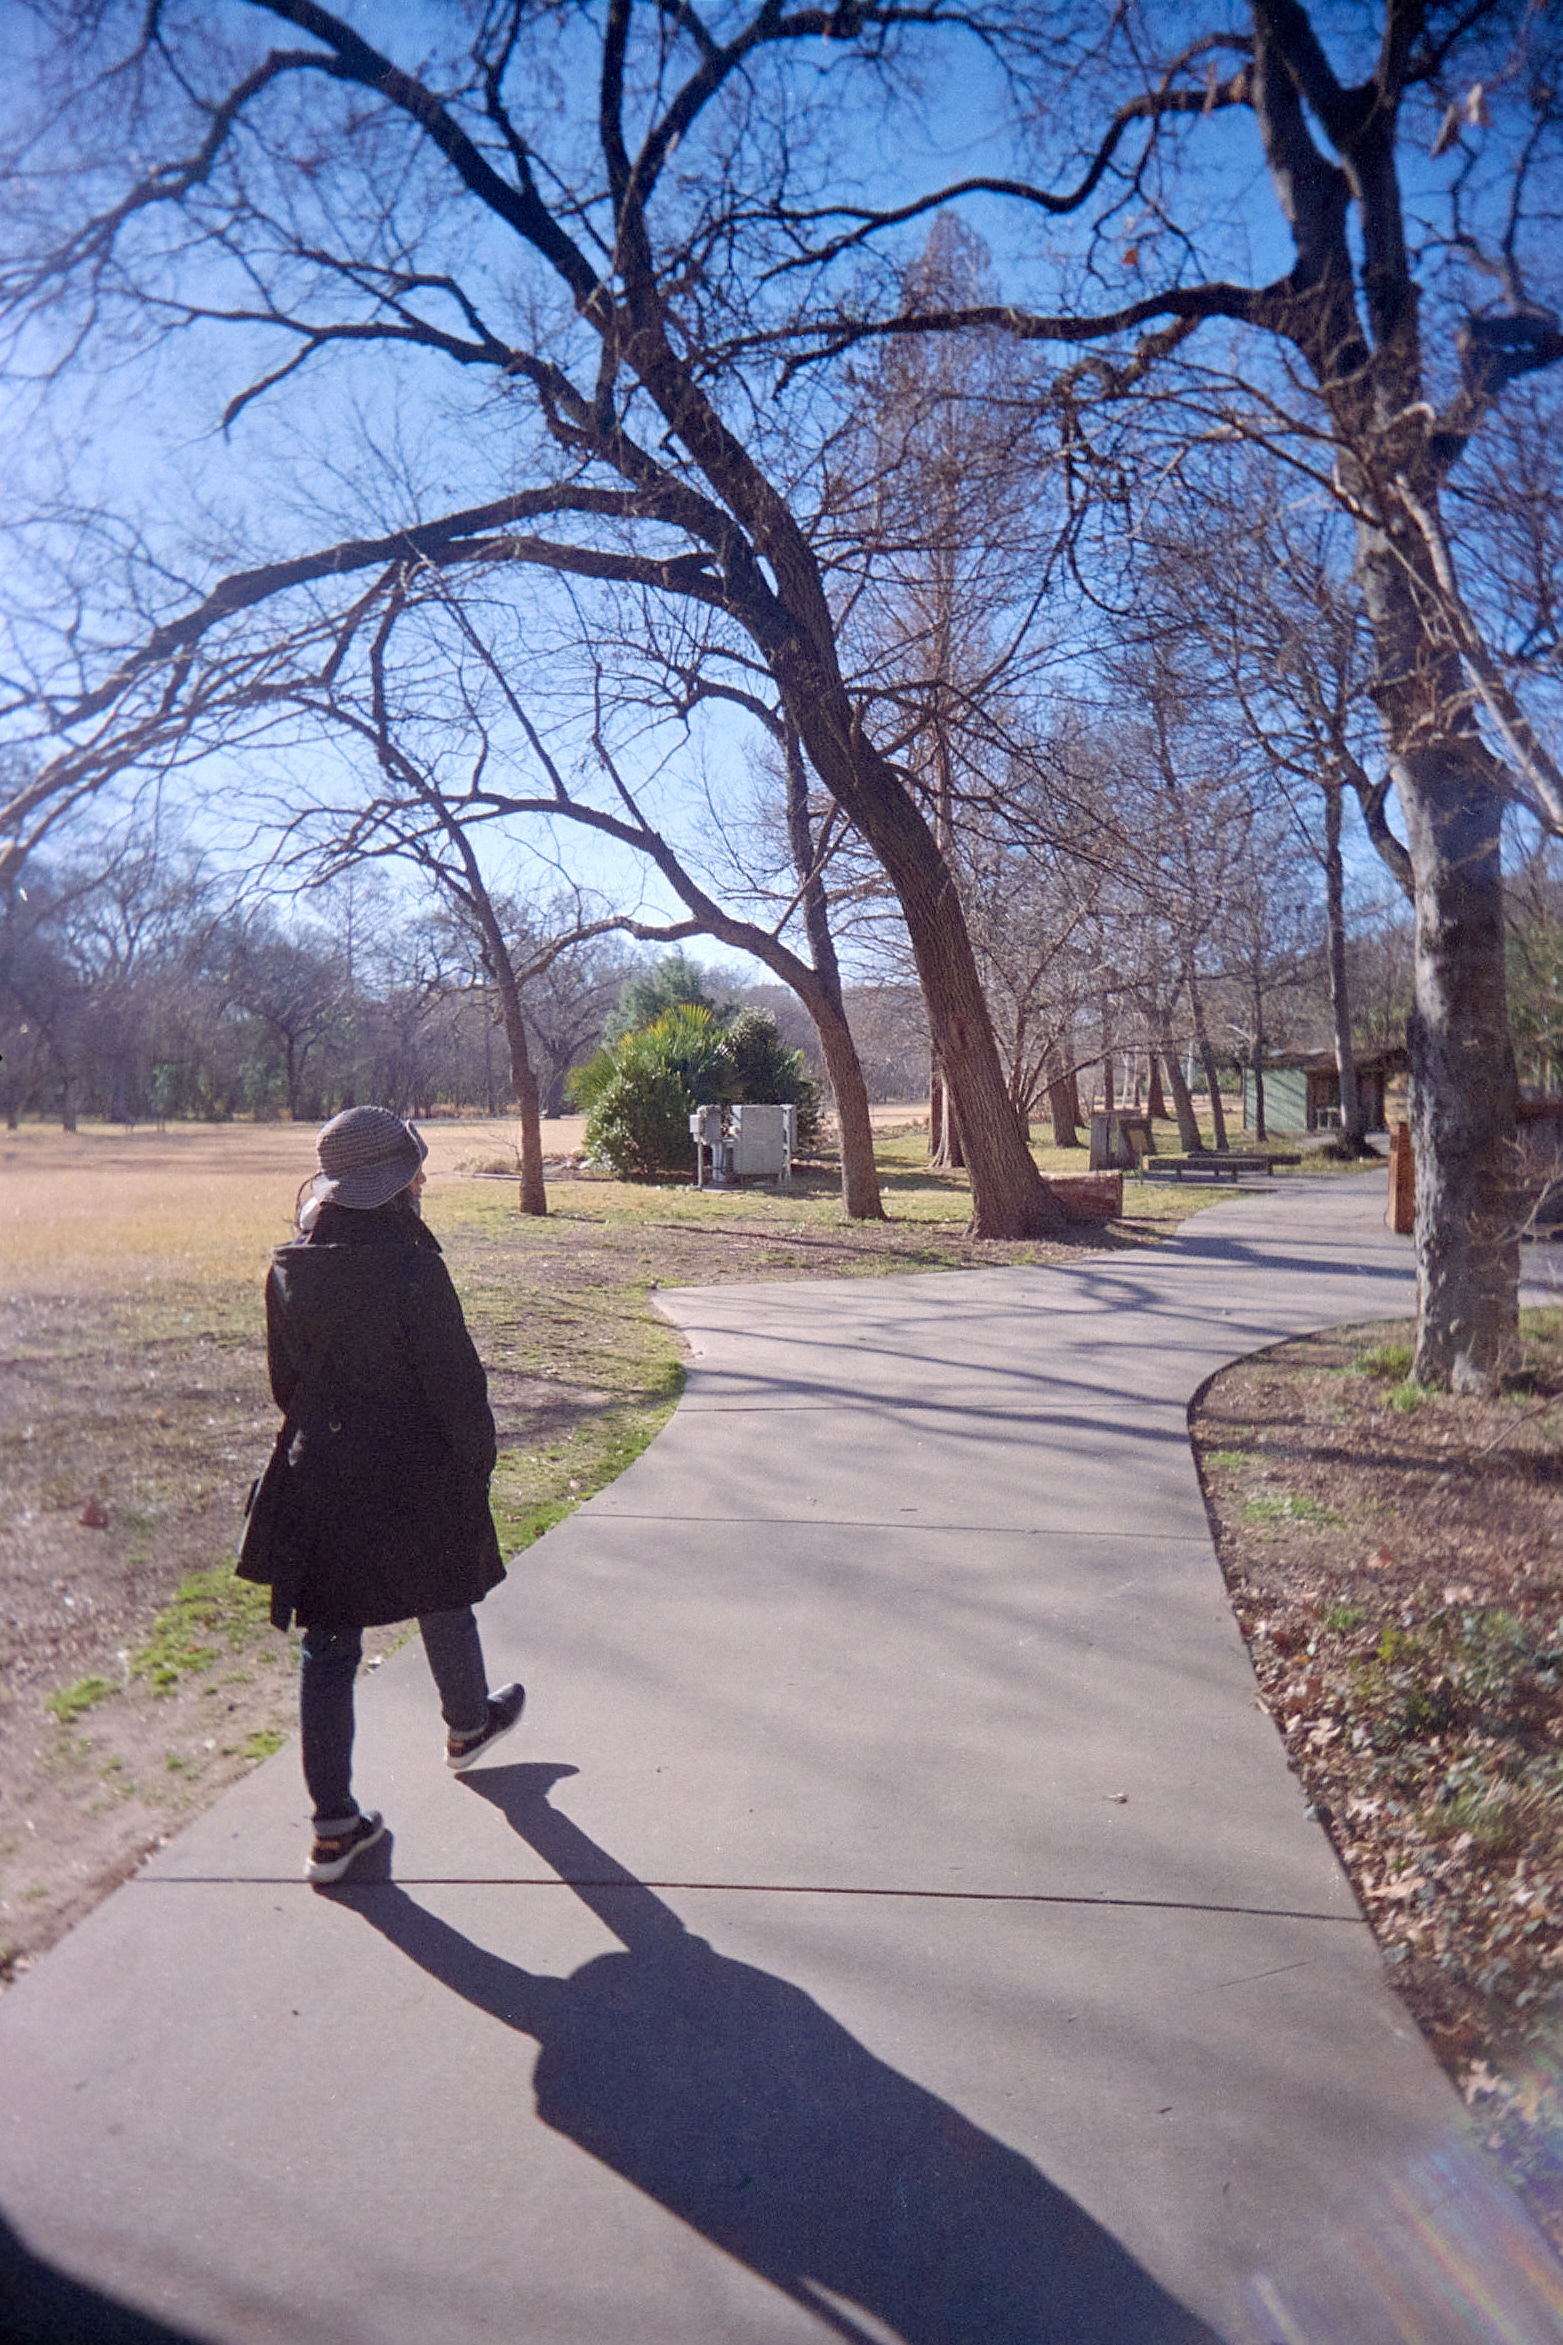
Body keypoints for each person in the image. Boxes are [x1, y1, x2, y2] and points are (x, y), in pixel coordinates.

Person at [239, 1105, 524, 1884]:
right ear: (395, 1185)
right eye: (413, 1170)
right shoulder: (413, 1268)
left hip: (321, 1475)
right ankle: (467, 1723)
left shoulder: (289, 1267)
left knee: (328, 1649)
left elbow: (286, 1387)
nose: (423, 1179)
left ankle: (333, 1827)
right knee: (442, 1587)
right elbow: (457, 1386)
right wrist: (475, 1465)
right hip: (413, 1470)